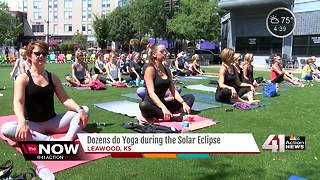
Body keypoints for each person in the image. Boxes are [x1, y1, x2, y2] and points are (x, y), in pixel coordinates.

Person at [1, 41, 89, 142]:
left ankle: (67, 139)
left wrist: (79, 109)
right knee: (7, 129)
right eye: (37, 53)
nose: (41, 56)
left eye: (44, 53)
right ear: (29, 56)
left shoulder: (53, 77)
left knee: (85, 110)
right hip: (33, 124)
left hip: (54, 122)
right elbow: (18, 102)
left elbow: (65, 99)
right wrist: (22, 122)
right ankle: (50, 141)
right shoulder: (23, 78)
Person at [139, 44, 195, 121]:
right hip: (152, 105)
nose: (165, 53)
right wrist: (163, 108)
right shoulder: (150, 69)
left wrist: (183, 103)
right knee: (143, 105)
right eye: (162, 51)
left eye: (165, 51)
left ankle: (168, 115)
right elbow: (151, 93)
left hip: (163, 103)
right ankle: (174, 117)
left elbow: (173, 90)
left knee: (190, 97)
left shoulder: (167, 70)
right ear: (154, 54)